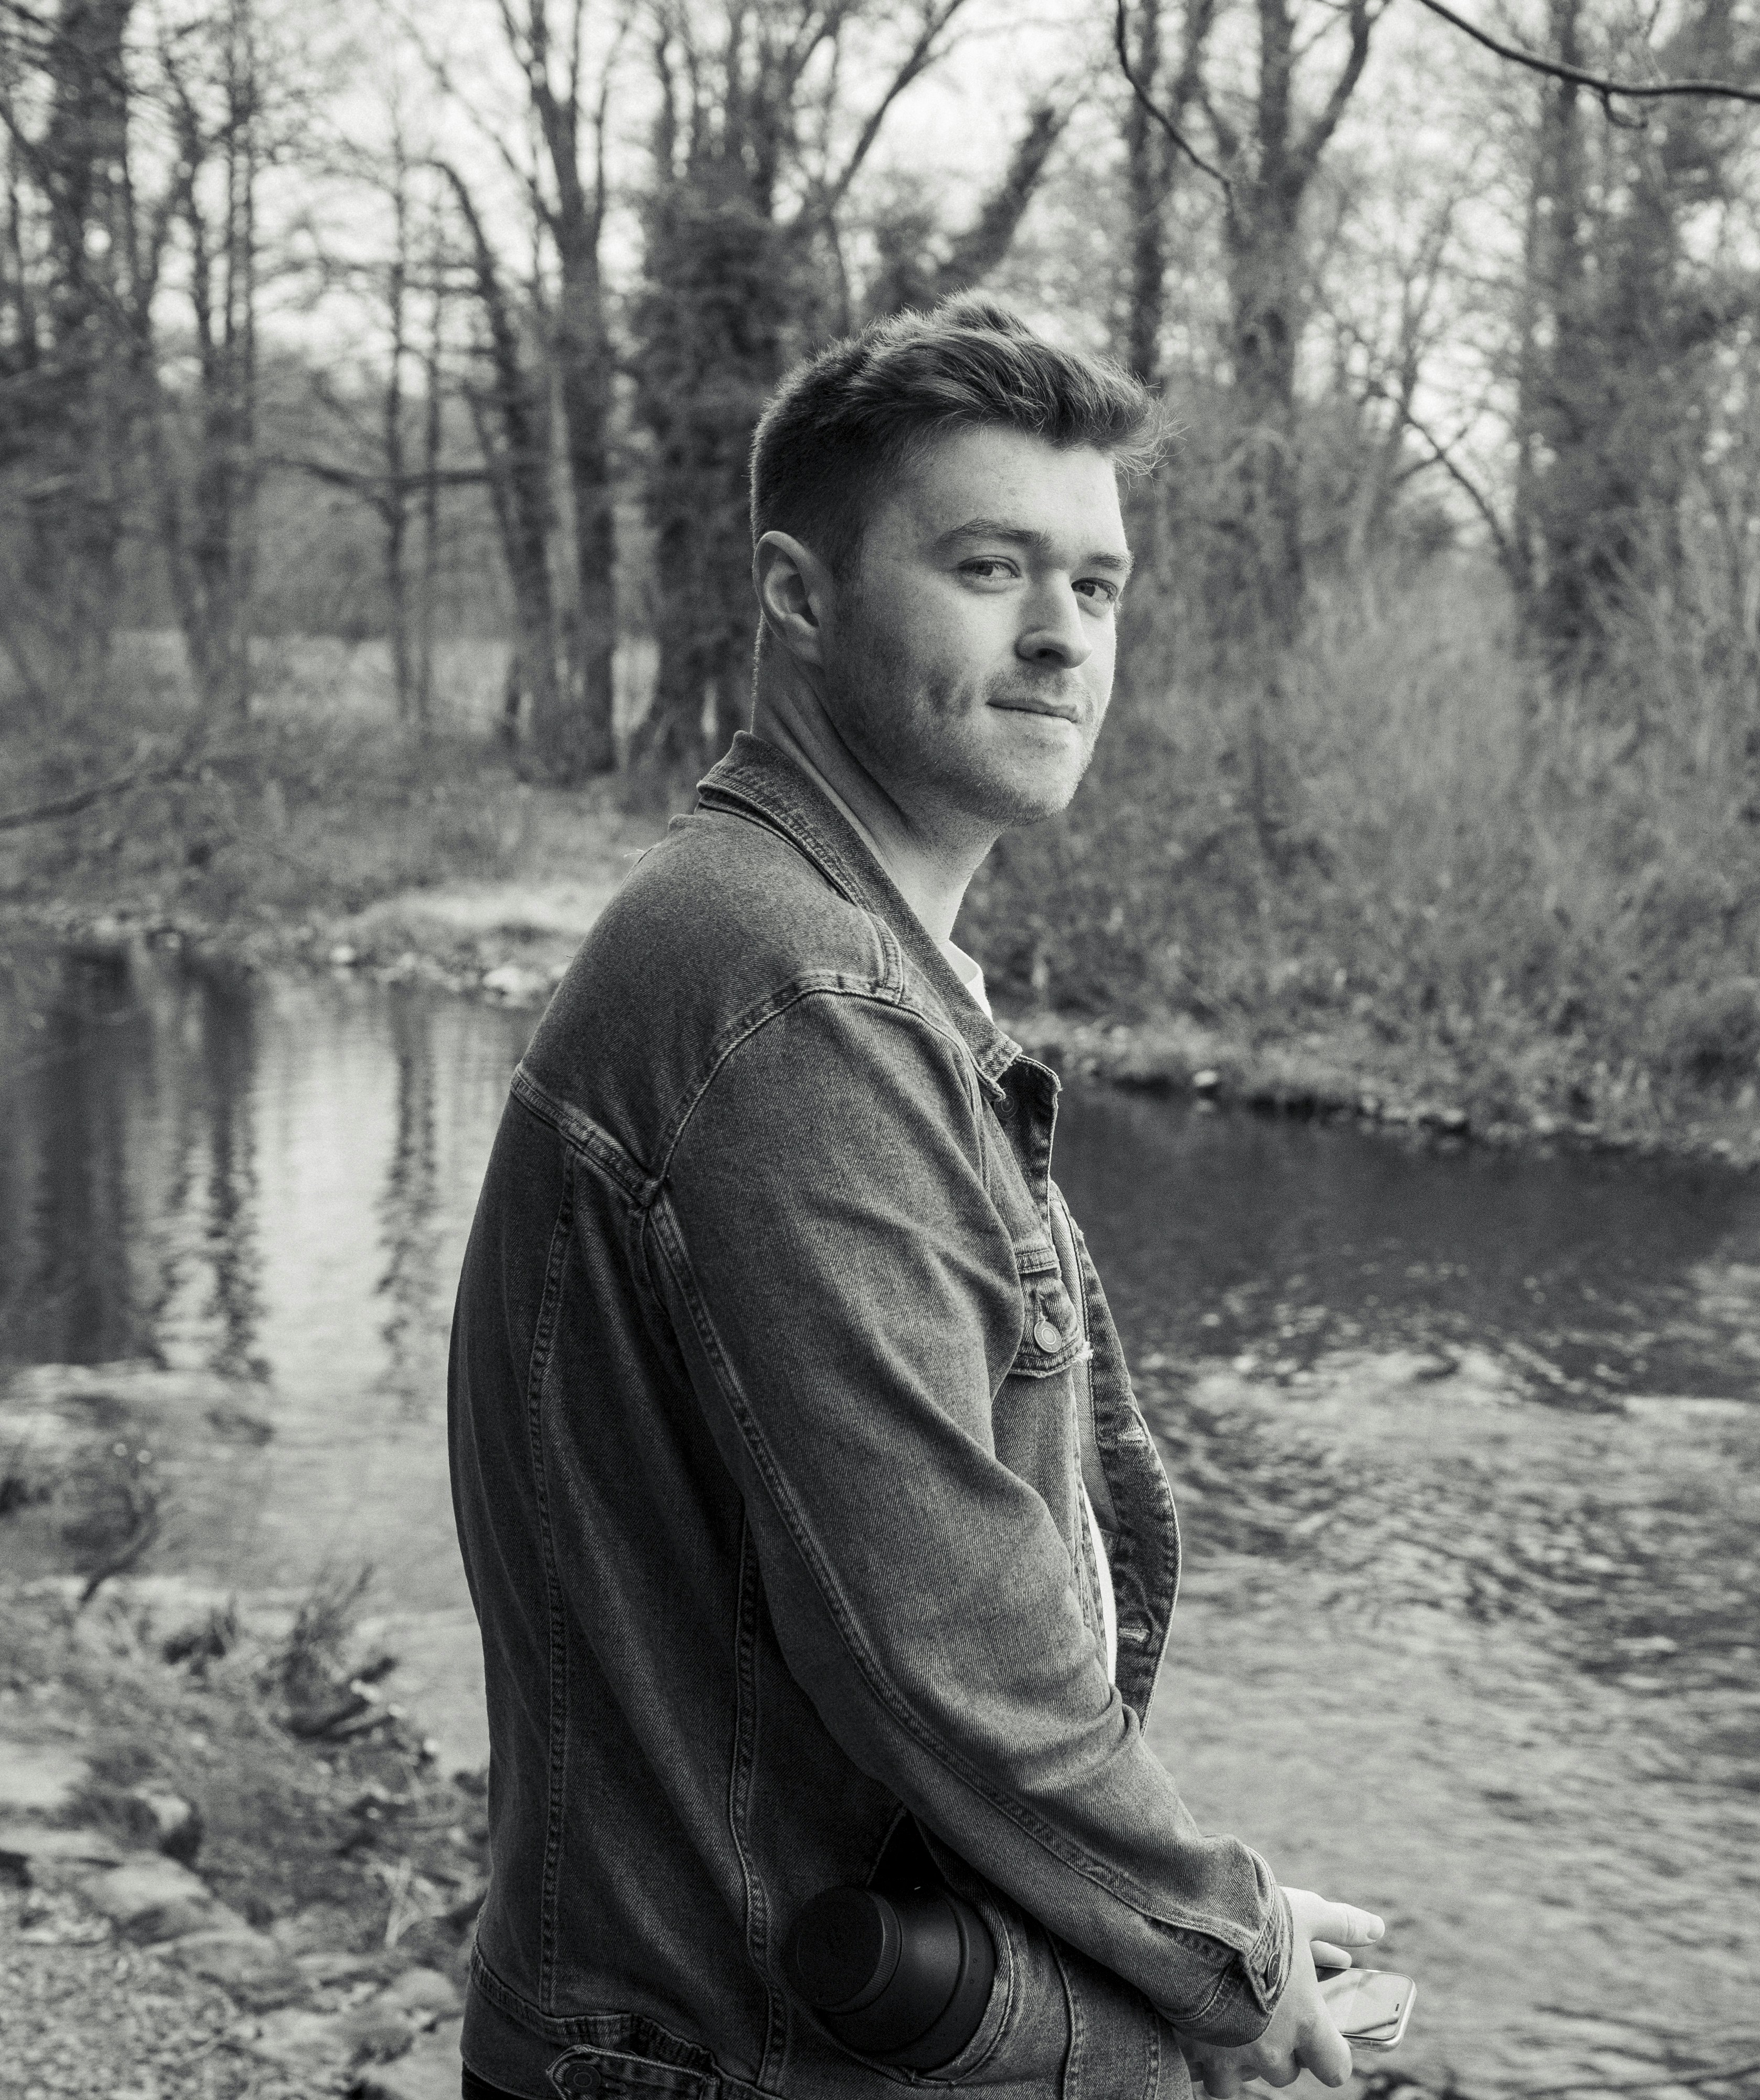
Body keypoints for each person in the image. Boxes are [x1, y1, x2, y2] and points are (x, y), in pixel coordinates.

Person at [445, 295, 1386, 2100]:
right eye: (987, 568)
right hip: (722, 2063)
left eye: (1097, 586)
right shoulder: (792, 998)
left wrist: (1197, 1917)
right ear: (797, 598)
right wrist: (1226, 1948)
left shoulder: (813, 951)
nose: (1060, 637)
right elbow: (941, 1637)